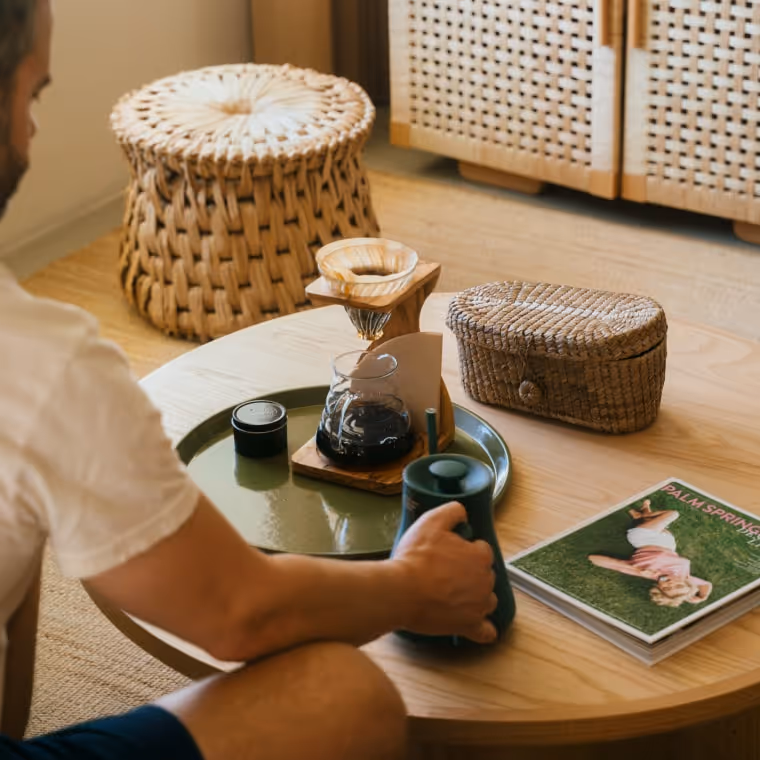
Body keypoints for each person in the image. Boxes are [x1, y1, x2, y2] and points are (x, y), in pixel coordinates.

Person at [0, 2, 499, 758]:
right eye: (32, 94)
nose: (32, 130)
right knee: (346, 694)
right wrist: (413, 587)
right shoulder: (43, 361)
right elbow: (240, 612)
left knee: (33, 511)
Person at [588, 500, 712, 608]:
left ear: (659, 587)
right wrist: (702, 597)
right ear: (685, 582)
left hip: (643, 538)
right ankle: (642, 514)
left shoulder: (645, 572)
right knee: (653, 521)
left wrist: (632, 568)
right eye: (678, 586)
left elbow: (593, 559)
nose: (671, 583)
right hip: (667, 543)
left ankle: (643, 515)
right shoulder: (684, 576)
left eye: (667, 588)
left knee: (673, 514)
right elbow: (706, 584)